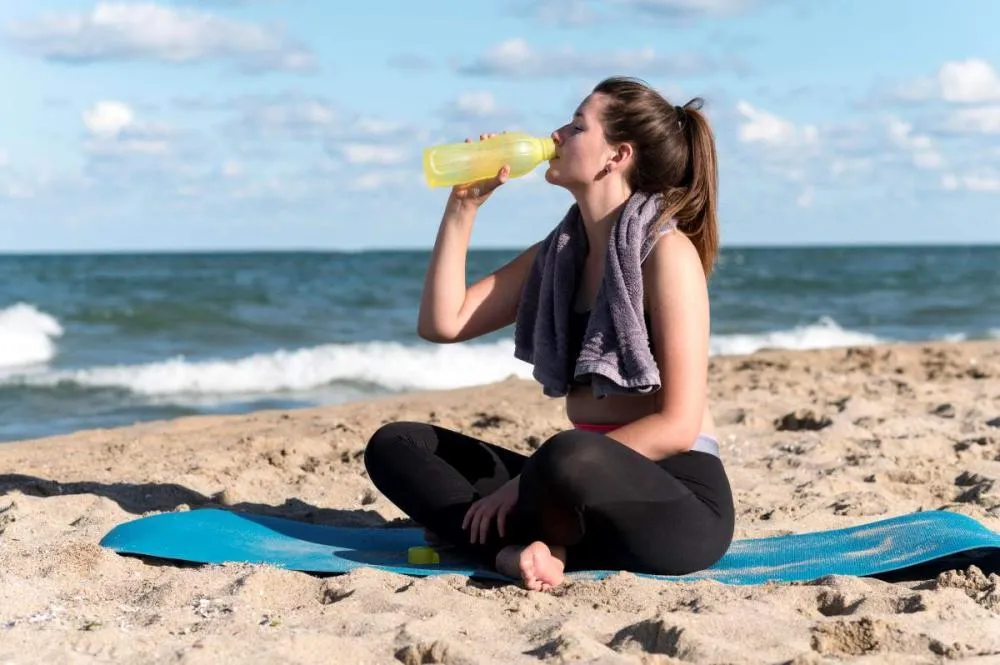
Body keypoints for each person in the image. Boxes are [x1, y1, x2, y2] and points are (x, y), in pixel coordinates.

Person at [363, 76, 734, 591]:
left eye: (577, 125)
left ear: (616, 155)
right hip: (568, 489)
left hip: (674, 502)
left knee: (565, 453)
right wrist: (463, 209)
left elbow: (677, 424)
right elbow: (442, 323)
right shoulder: (559, 256)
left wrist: (522, 485)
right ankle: (530, 548)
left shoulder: (666, 254)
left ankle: (523, 540)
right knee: (398, 444)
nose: (556, 134)